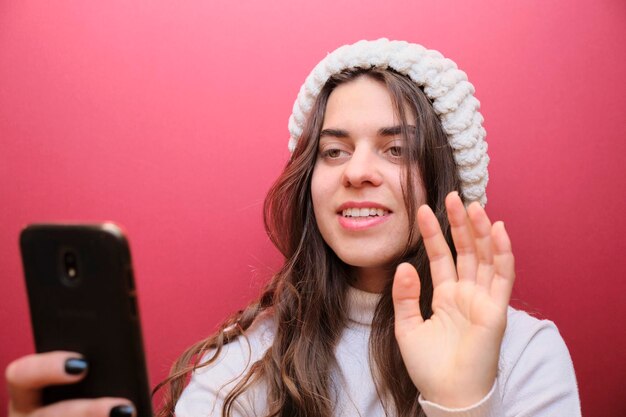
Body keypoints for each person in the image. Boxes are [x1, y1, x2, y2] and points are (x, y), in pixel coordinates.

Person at [6, 39, 581, 417]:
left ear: (448, 180)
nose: (356, 171)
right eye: (333, 152)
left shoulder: (526, 354)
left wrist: (460, 404)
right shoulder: (241, 368)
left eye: (396, 149)